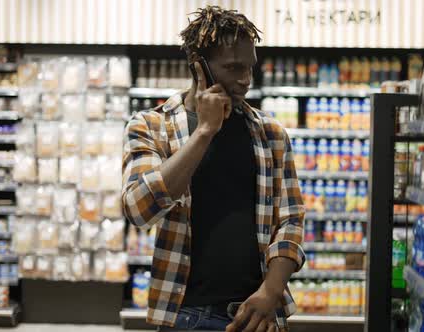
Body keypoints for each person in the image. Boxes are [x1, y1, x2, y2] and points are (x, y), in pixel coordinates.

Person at [122, 6, 305, 332]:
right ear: (199, 67)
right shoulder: (150, 126)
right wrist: (204, 132)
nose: (245, 80)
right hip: (186, 315)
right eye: (233, 68)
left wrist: (270, 291)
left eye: (250, 68)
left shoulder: (270, 133)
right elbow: (138, 209)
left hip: (256, 314)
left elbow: (290, 219)